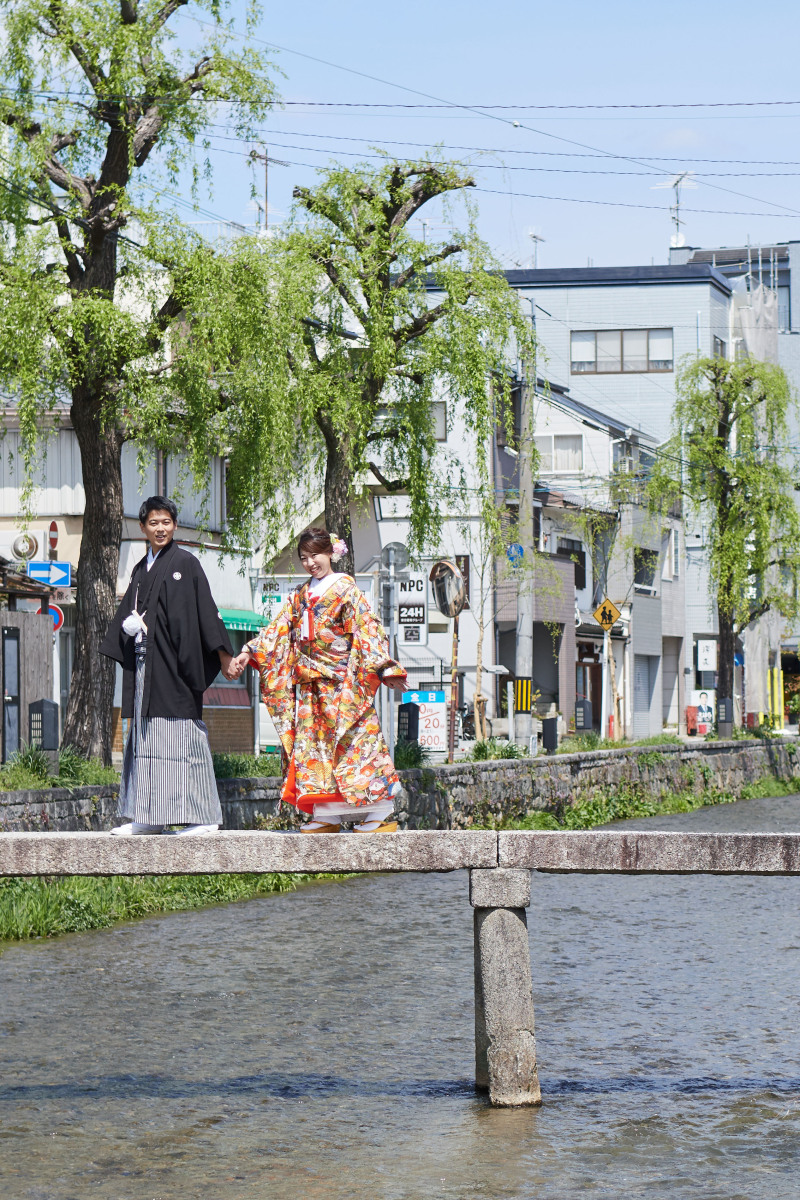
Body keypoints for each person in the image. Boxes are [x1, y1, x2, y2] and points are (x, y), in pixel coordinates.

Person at [232, 527, 407, 832]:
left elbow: (367, 630)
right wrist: (249, 650)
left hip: (342, 686)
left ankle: (379, 811)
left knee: (356, 744)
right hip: (310, 690)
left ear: (330, 552)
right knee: (315, 751)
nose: (311, 562)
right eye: (304, 557)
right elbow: (278, 629)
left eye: (315, 555)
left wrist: (384, 668)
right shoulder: (300, 595)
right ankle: (325, 813)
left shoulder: (346, 589)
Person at [100, 496, 241, 836]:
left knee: (181, 740)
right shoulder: (140, 568)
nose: (160, 528)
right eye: (153, 523)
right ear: (143, 527)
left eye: (166, 522)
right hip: (148, 666)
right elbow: (130, 614)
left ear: (175, 525)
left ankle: (203, 816)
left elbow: (207, 613)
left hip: (177, 667)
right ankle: (148, 816)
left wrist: (224, 656)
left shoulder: (186, 563)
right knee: (146, 738)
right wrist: (127, 626)